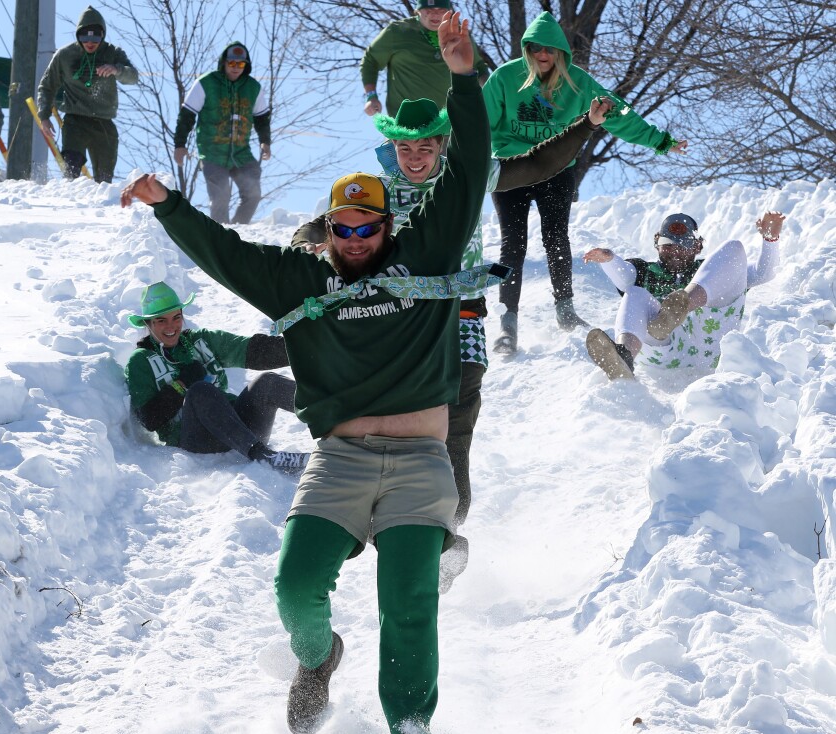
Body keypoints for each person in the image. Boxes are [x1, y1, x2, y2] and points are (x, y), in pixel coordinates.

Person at [121, 12, 492, 734]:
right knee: (295, 583)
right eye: (341, 226)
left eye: (367, 224)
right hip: (341, 459)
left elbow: (467, 172)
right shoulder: (302, 281)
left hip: (421, 462)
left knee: (410, 604)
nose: (354, 235)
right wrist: (168, 203)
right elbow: (227, 255)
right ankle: (320, 657)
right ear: (326, 232)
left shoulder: (425, 253)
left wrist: (462, 80)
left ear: (389, 226)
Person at [291, 94, 613, 592]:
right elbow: (324, 222)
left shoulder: (467, 175)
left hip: (460, 314)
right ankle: (388, 523)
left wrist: (585, 126)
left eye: (425, 147)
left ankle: (449, 529)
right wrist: (305, 243)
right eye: (405, 149)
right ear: (393, 147)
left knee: (456, 421)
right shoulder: (378, 188)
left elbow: (536, 164)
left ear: (442, 144)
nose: (416, 158)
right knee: (400, 423)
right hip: (398, 323)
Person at [483, 11, 688, 351]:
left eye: (550, 50)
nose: (542, 55)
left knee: (555, 237)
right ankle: (508, 320)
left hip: (556, 170)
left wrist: (660, 141)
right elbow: (477, 120)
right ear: (527, 51)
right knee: (512, 243)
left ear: (561, 52)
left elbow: (619, 115)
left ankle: (565, 310)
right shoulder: (506, 77)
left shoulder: (580, 83)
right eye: (535, 49)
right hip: (512, 166)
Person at [583, 210, 785, 379]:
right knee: (634, 293)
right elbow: (624, 277)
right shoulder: (644, 271)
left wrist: (770, 240)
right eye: (668, 245)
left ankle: (682, 304)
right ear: (657, 244)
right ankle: (624, 357)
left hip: (709, 345)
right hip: (662, 351)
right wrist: (609, 260)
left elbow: (763, 273)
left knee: (734, 248)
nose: (676, 251)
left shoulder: (712, 272)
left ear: (698, 246)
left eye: (685, 245)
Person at [125, 281, 306, 469]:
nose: (171, 326)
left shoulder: (200, 340)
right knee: (199, 390)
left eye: (176, 317)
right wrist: (181, 384)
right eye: (161, 320)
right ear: (148, 323)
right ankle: (265, 457)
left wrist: (309, 348)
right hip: (197, 441)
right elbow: (148, 419)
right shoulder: (140, 361)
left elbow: (254, 351)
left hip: (240, 430)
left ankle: (334, 416)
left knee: (267, 382)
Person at [36, 5, 138, 183]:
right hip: (75, 120)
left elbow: (133, 77)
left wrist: (116, 69)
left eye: (96, 38)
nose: (90, 43)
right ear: (78, 35)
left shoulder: (112, 53)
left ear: (102, 36)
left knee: (105, 179)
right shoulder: (65, 56)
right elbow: (46, 86)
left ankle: (100, 207)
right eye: (84, 37)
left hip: (104, 123)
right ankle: (69, 200)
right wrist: (44, 116)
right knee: (71, 169)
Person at [173, 42, 271, 225]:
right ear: (224, 63)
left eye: (240, 64)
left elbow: (262, 118)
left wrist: (265, 141)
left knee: (253, 194)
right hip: (212, 153)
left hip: (241, 153)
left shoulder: (253, 88)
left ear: (246, 65)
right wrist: (180, 144)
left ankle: (238, 234)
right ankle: (221, 237)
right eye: (232, 63)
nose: (235, 68)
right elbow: (186, 115)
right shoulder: (206, 83)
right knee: (221, 197)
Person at [361, 0, 489, 117]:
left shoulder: (458, 34)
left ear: (449, 12)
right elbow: (370, 60)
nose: (435, 15)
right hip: (406, 126)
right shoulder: (397, 31)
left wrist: (491, 95)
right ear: (418, 10)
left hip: (451, 125)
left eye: (441, 10)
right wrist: (371, 96)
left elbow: (478, 67)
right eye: (429, 10)